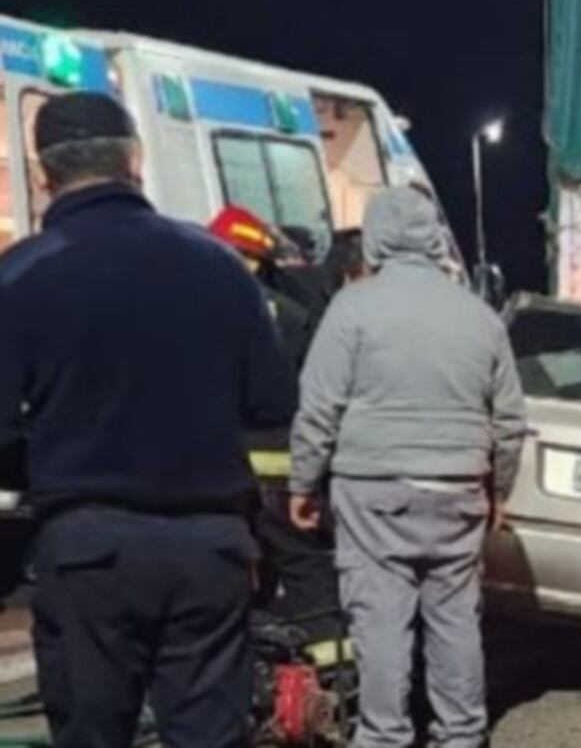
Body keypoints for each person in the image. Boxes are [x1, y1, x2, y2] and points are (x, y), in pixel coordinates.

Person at [0, 93, 297, 748]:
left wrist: (47, 456)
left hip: (86, 550)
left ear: (42, 173)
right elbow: (274, 405)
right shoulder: (221, 268)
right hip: (209, 547)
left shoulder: (20, 276)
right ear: (135, 161)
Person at [289, 188, 525, 748]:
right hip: (458, 487)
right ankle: (463, 734)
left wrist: (304, 480)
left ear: (375, 239)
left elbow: (319, 404)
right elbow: (510, 419)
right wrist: (500, 489)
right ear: (434, 238)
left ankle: (384, 736)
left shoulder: (353, 308)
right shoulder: (479, 317)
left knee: (381, 620)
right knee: (455, 618)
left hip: (374, 488)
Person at [208, 206, 343, 642]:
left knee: (227, 574)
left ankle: (243, 670)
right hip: (285, 471)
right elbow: (316, 399)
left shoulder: (194, 310)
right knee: (307, 568)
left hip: (220, 470)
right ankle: (331, 677)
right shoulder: (295, 315)